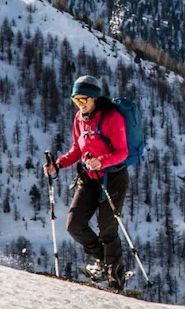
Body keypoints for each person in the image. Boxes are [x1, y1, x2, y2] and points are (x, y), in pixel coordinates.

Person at [44, 75, 129, 289]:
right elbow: (77, 150)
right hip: (90, 177)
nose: (79, 105)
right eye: (76, 100)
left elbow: (122, 152)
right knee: (74, 224)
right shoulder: (79, 119)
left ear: (94, 98)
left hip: (114, 177)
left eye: (83, 100)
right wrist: (58, 164)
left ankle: (115, 280)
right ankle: (103, 261)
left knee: (107, 227)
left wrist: (102, 161)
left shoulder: (112, 117)